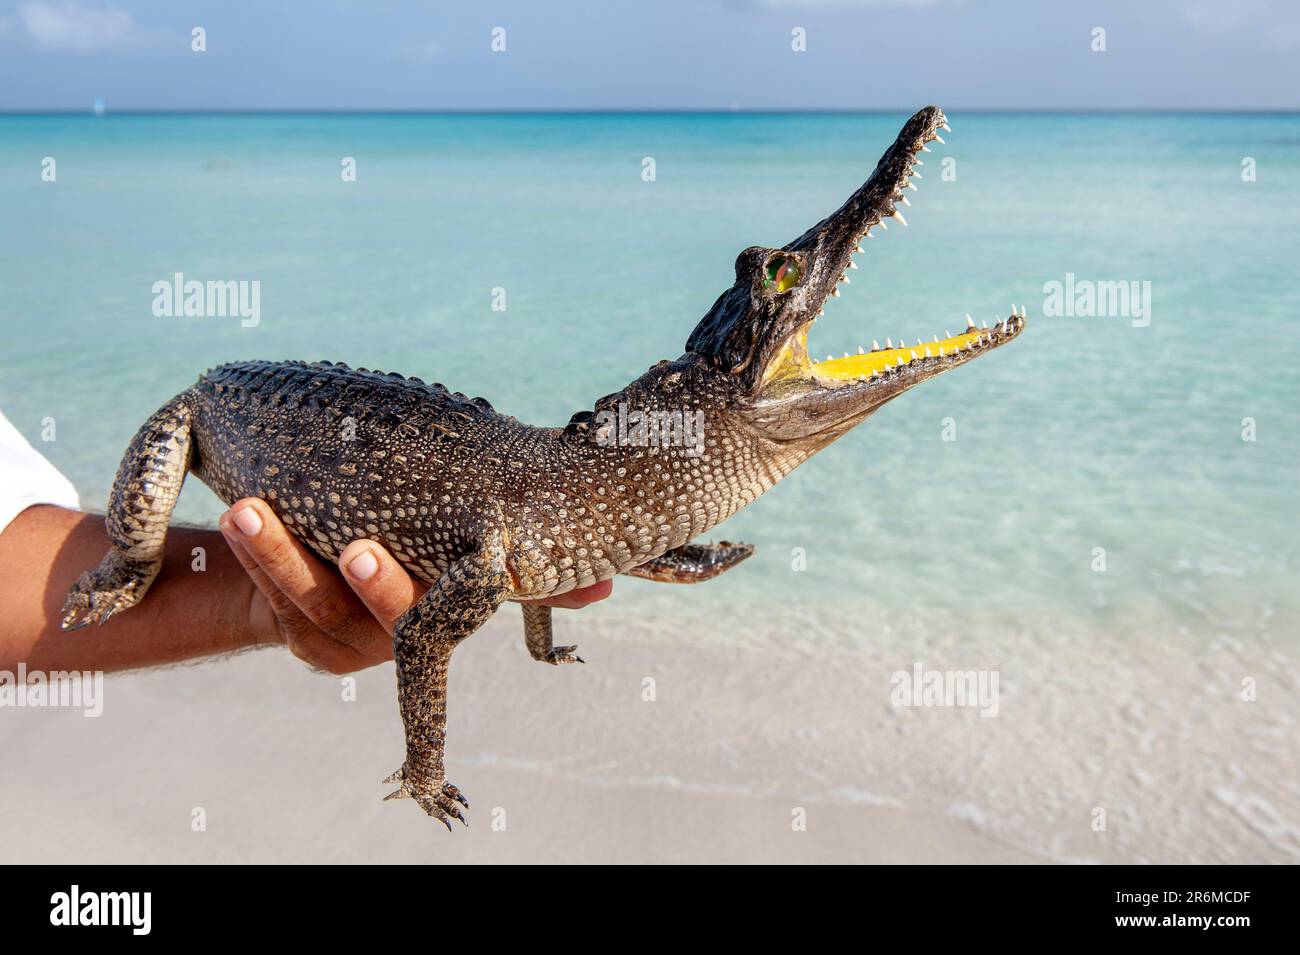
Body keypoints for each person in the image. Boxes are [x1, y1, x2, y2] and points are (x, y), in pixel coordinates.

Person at [0, 411, 610, 675]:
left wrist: (264, 600)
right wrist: (133, 557)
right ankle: (128, 563)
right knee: (130, 553)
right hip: (212, 412)